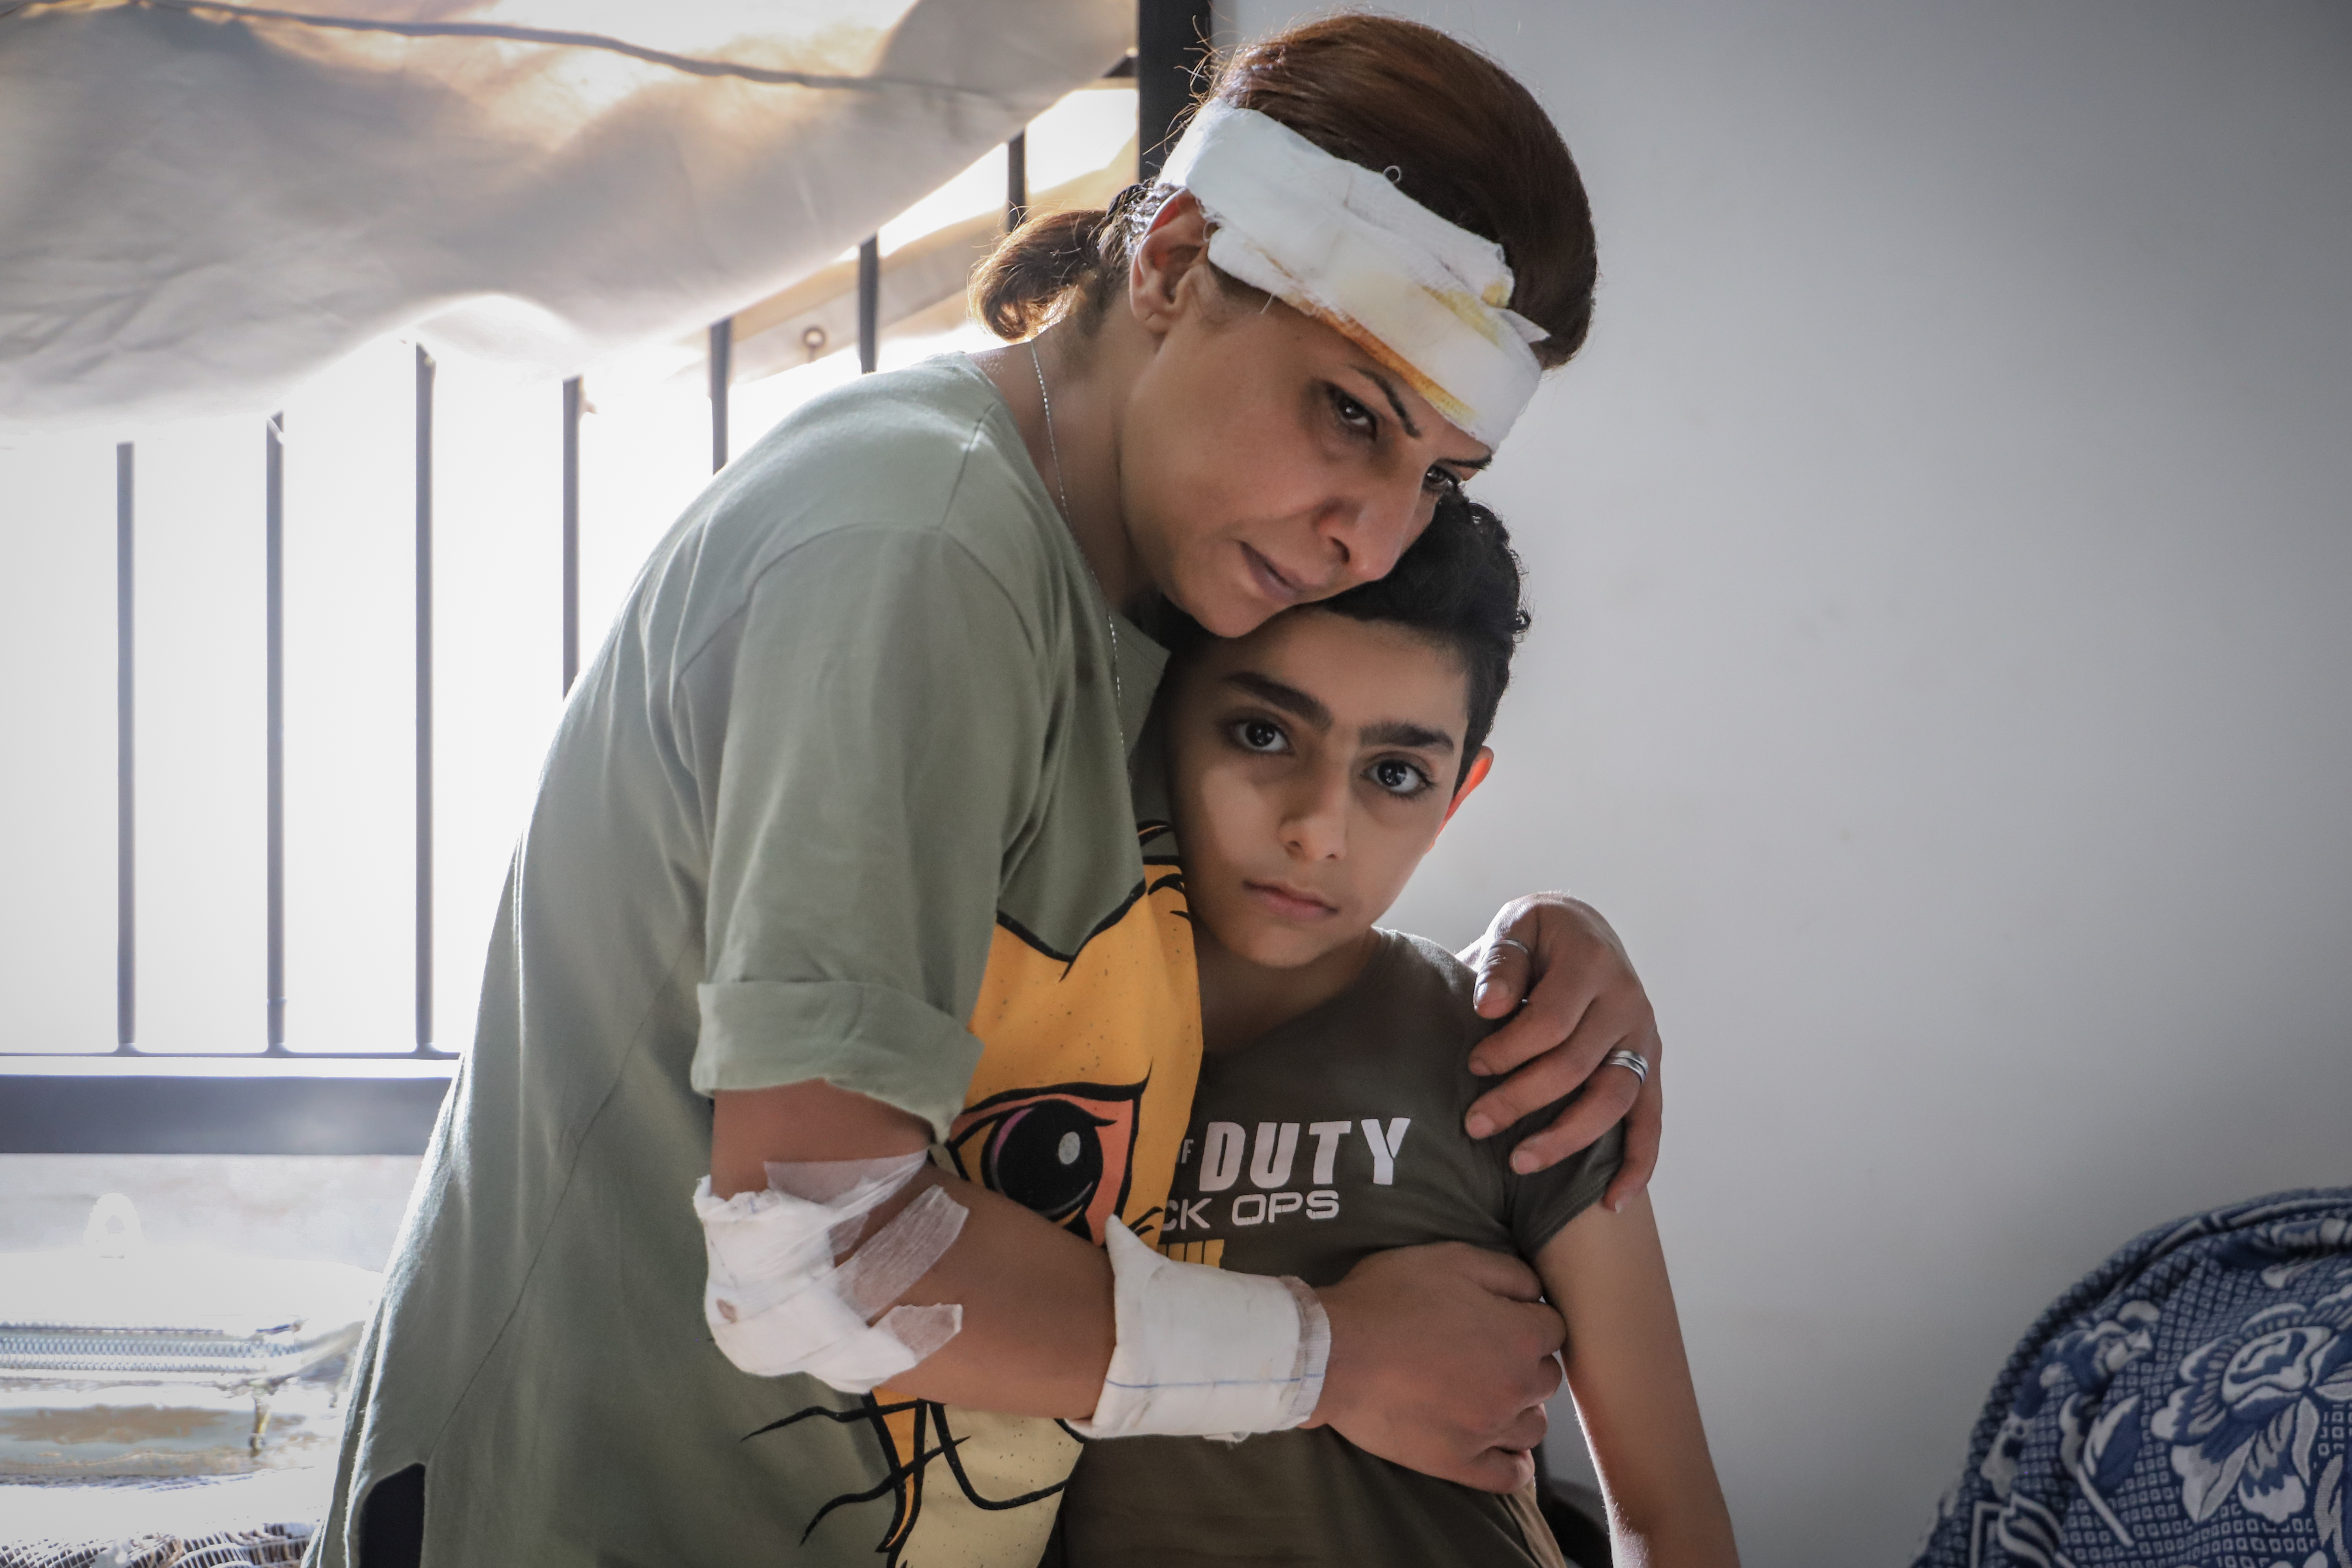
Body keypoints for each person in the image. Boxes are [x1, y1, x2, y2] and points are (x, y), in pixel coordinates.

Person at [319, 15, 1668, 1568]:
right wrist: (1337, 1357)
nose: (1372, 533)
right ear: (1167, 265)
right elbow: (819, 1255)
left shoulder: (1169, 594)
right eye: (1348, 413)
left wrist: (1550, 954)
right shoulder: (917, 543)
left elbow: (1254, 908)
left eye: (1434, 474)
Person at [1053, 502, 1739, 1568]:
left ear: (1457, 793)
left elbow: (1666, 1516)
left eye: (1394, 774)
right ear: (1159, 719)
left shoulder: (1518, 1052)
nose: (1316, 831)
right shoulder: (1024, 1044)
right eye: (1262, 733)